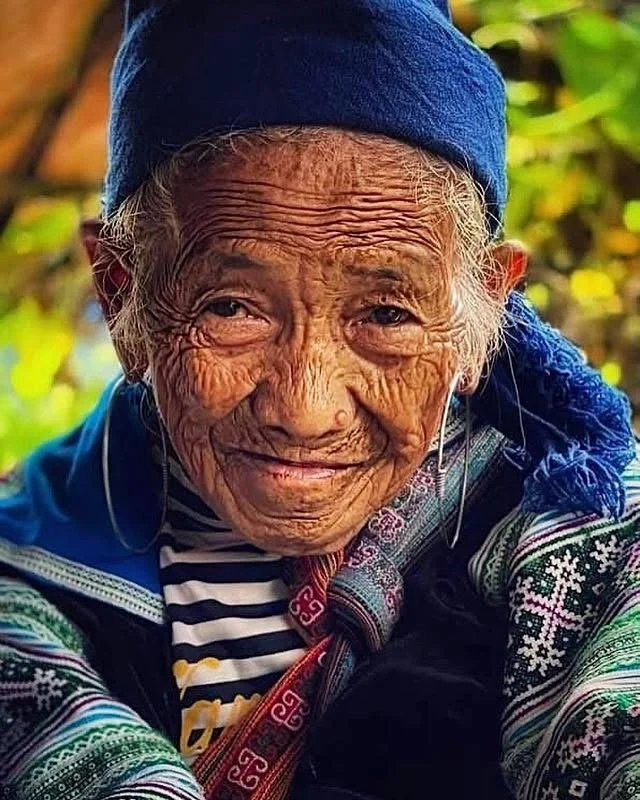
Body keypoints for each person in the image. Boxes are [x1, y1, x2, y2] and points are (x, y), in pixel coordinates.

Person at [1, 1, 638, 799]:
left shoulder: (578, 523)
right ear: (123, 291)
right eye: (231, 307)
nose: (305, 409)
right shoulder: (29, 567)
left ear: (482, 308)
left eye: (386, 314)